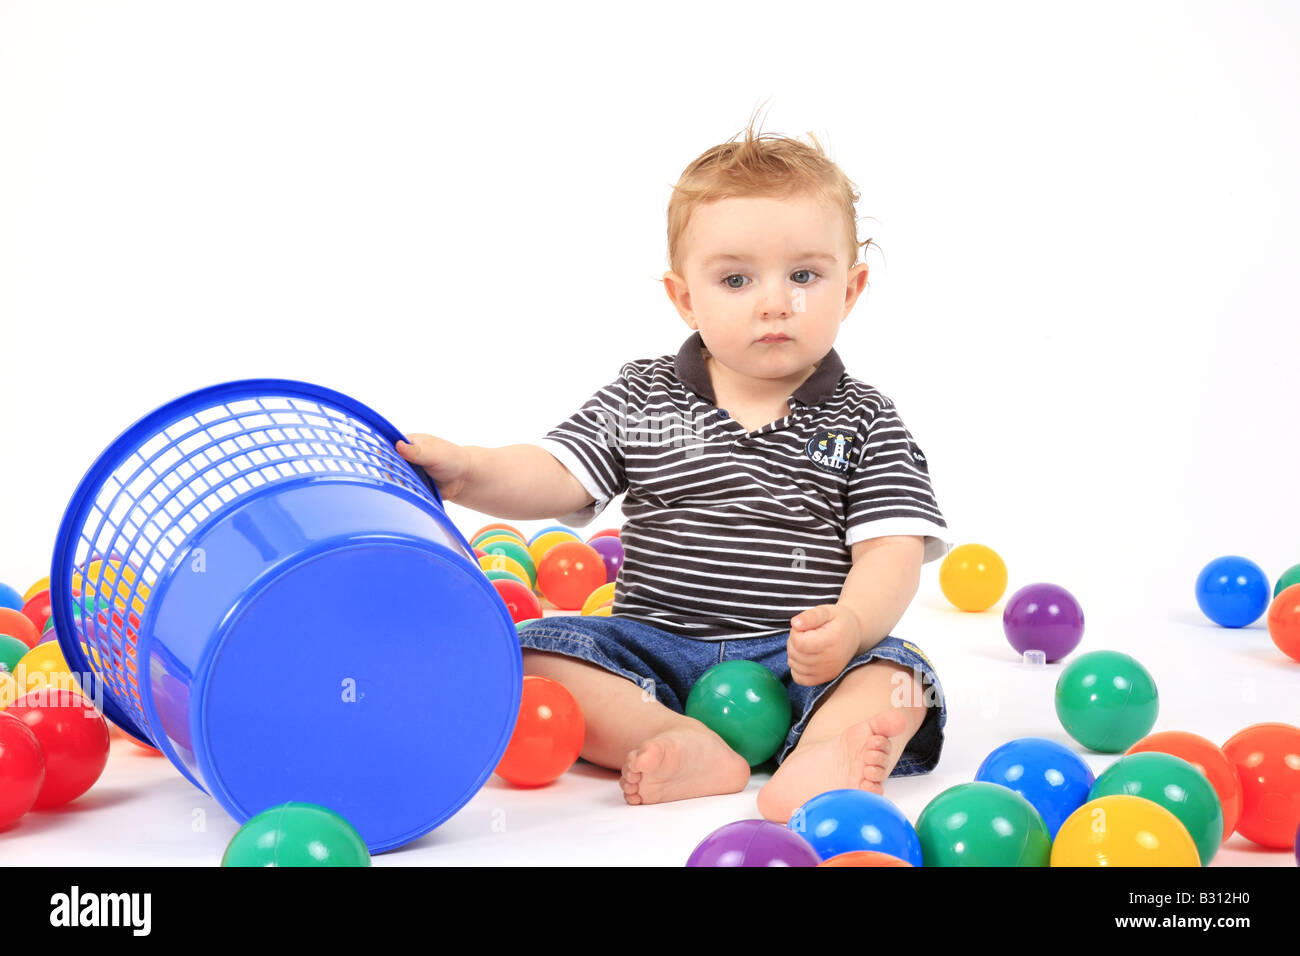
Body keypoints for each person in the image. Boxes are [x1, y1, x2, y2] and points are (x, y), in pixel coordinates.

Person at [397, 121, 952, 824]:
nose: (775, 301)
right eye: (736, 278)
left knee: (900, 676)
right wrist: (470, 471)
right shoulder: (645, 395)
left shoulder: (865, 418)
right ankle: (673, 738)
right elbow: (558, 472)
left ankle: (824, 750)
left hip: (800, 660)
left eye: (805, 276)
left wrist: (849, 624)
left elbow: (890, 549)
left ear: (851, 289)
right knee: (525, 656)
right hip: (651, 654)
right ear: (685, 297)